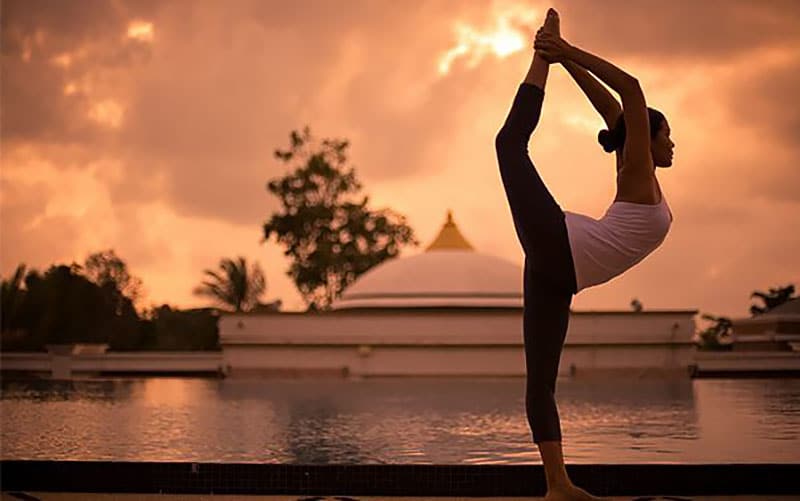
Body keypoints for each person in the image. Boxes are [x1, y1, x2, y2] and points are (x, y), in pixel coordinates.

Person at [494, 8, 675, 501]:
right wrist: (559, 54)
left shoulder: (637, 166)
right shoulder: (636, 169)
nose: (672, 143)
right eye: (667, 134)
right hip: (561, 245)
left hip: (560, 273)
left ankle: (558, 486)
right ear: (648, 137)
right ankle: (538, 60)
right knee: (509, 144)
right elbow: (631, 91)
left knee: (541, 384)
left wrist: (565, 55)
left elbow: (614, 112)